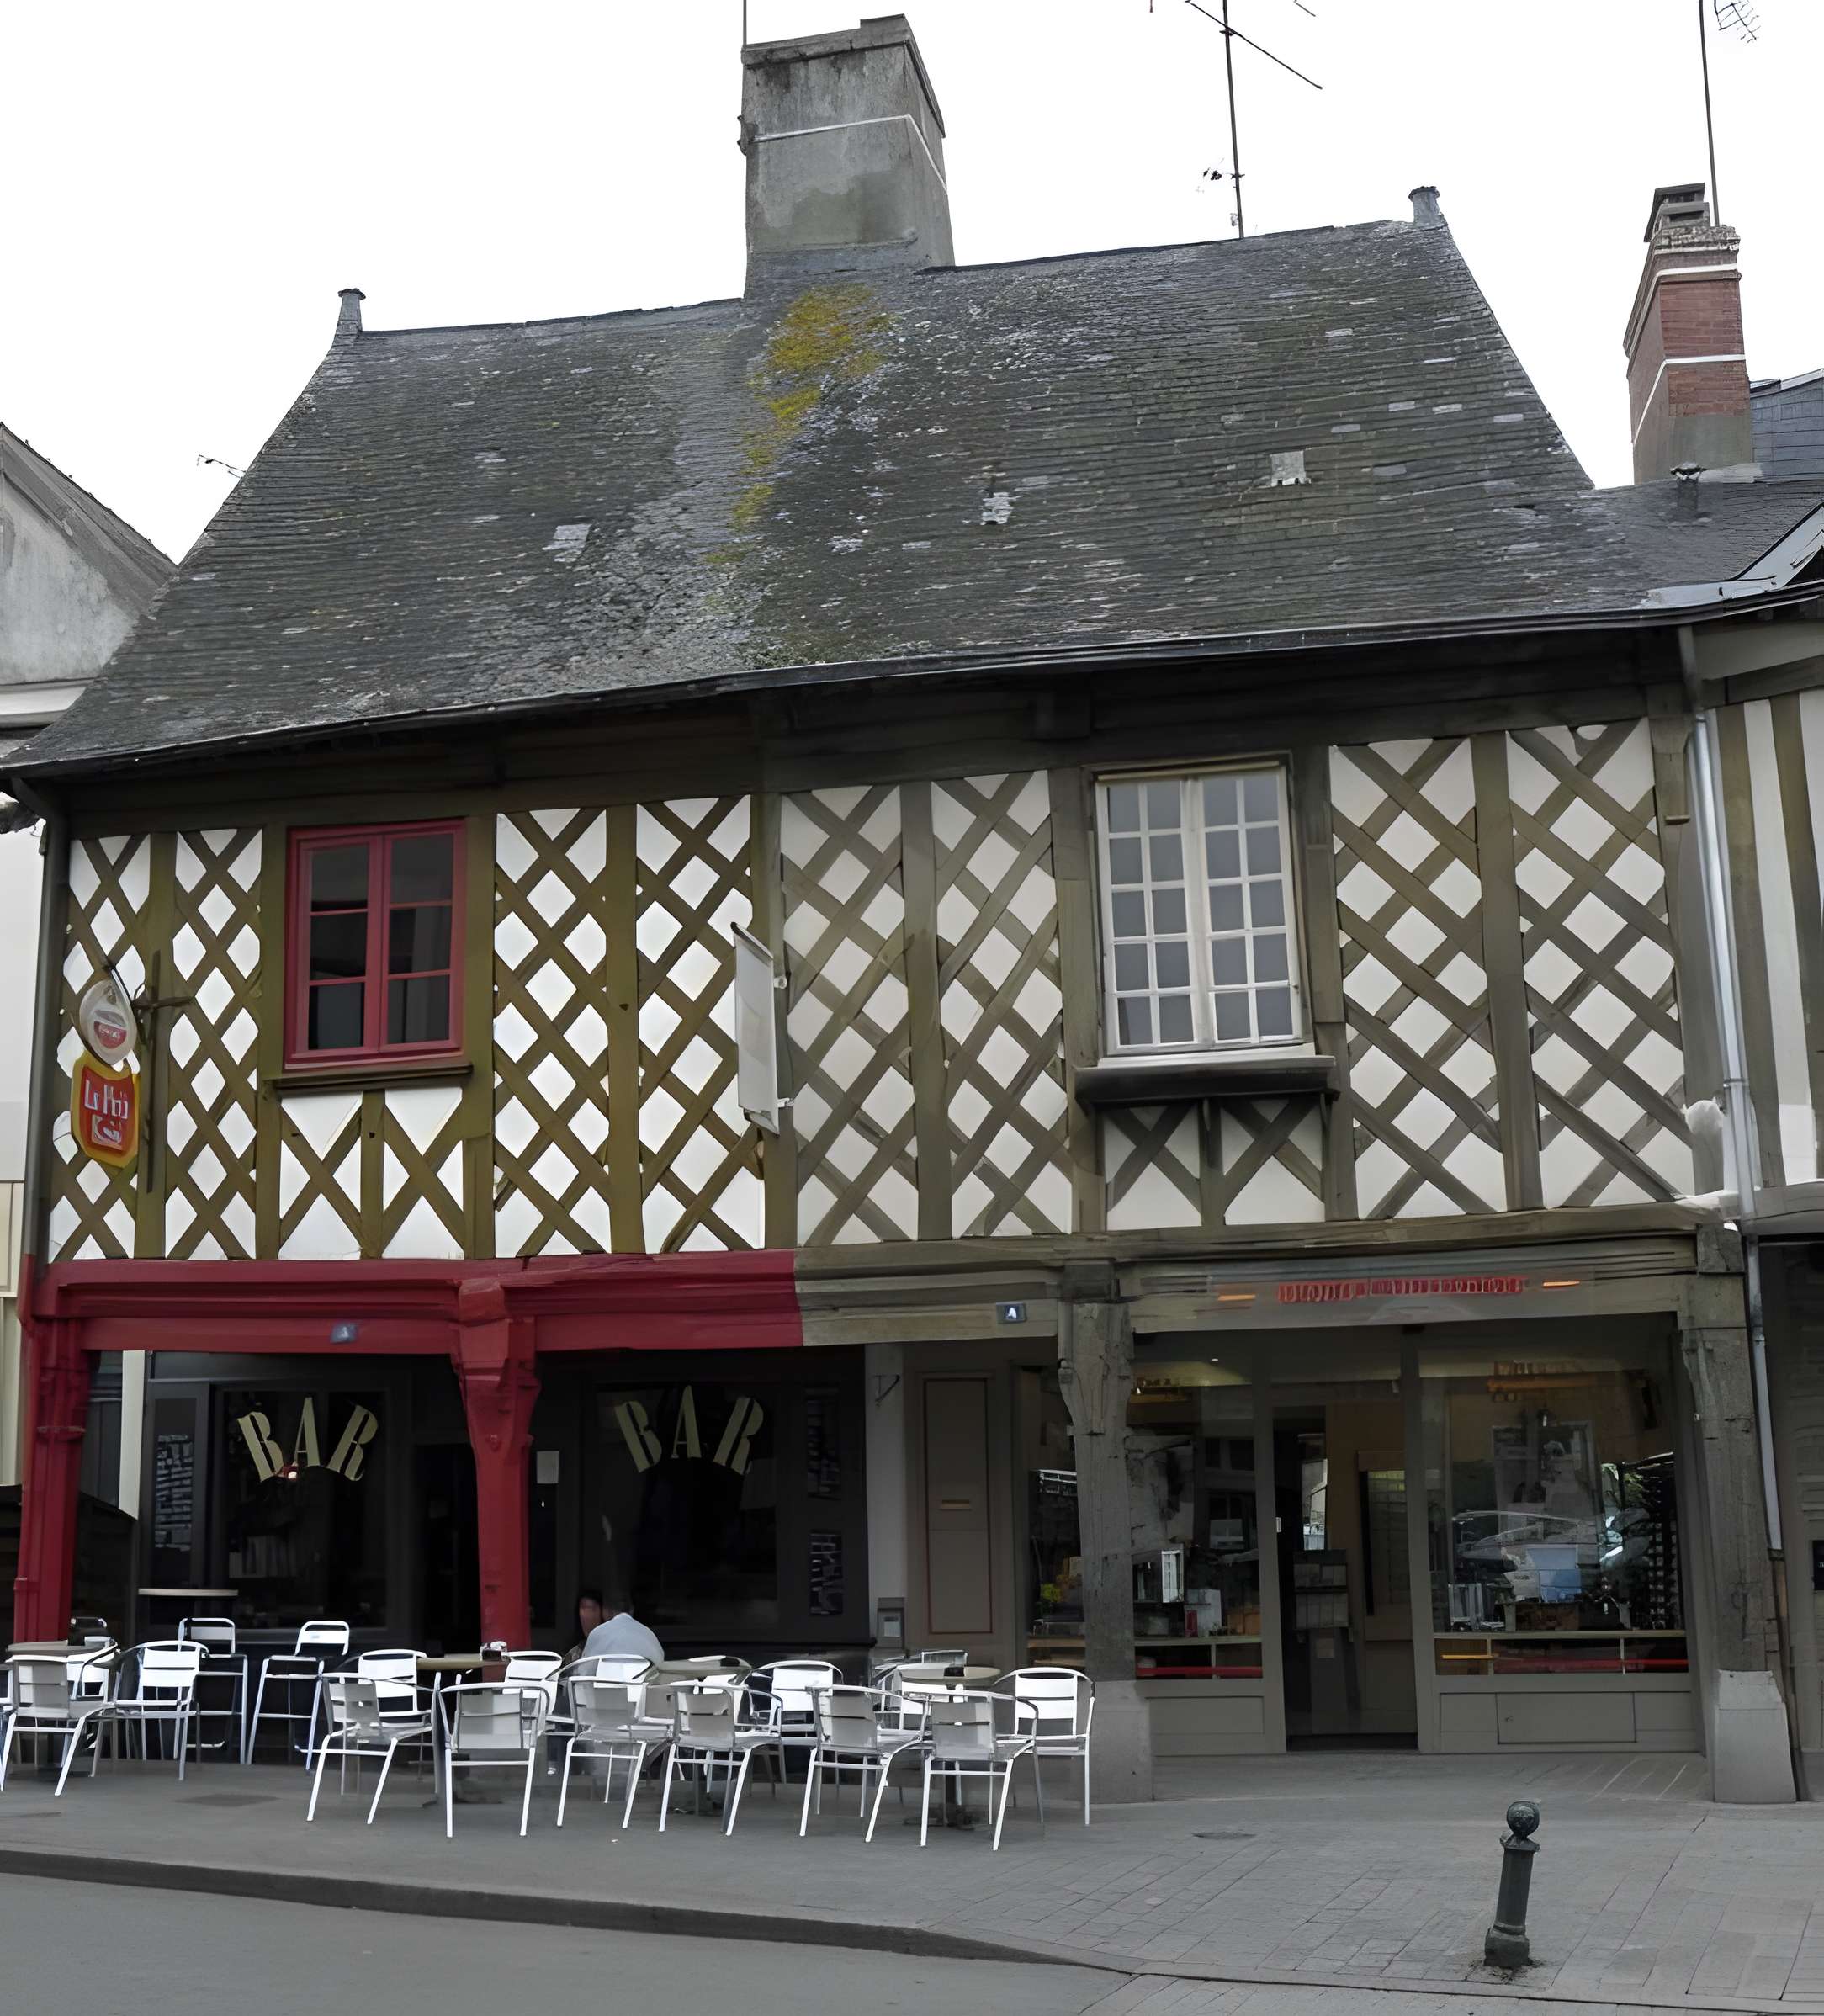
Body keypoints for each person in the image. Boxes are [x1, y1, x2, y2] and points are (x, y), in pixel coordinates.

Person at [580, 1598, 665, 1667]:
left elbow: (584, 1669)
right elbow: (660, 1662)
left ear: (606, 1612)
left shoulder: (597, 1633)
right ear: (632, 1610)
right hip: (641, 1685)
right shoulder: (649, 1634)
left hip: (604, 1686)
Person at [565, 1588, 606, 1665]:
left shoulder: (610, 1648)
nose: (587, 1615)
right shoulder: (573, 1653)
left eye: (592, 1609)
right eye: (583, 1608)